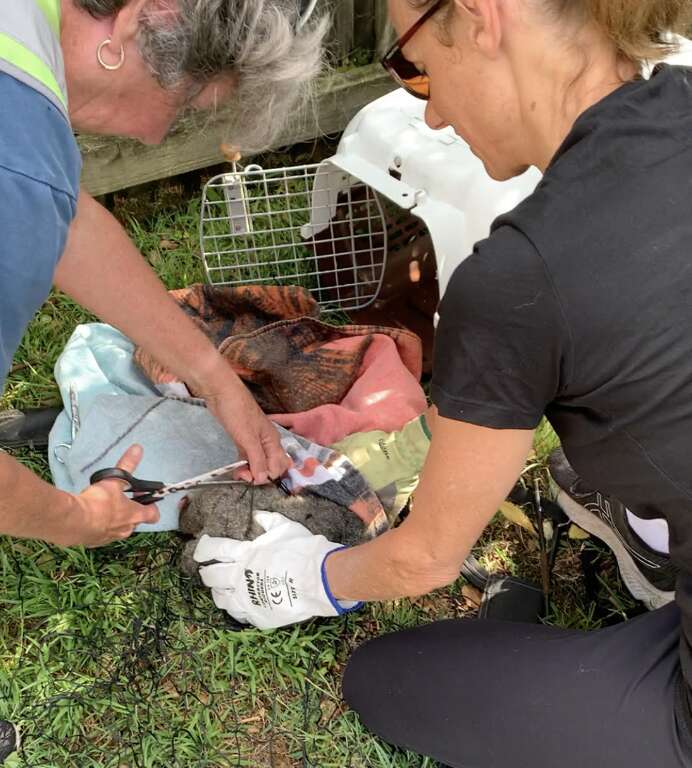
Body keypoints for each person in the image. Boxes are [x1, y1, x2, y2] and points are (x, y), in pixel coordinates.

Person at [191, 0, 692, 765]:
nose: (430, 117)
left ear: (483, 17)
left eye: (415, 68)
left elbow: (426, 557)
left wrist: (299, 579)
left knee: (389, 679)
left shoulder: (520, 277)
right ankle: (653, 534)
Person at [0, 0, 326, 548]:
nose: (156, 139)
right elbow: (35, 197)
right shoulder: (18, 177)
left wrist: (216, 381)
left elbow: (68, 220)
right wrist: (76, 518)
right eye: (188, 105)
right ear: (146, 19)